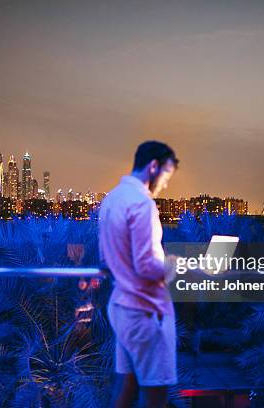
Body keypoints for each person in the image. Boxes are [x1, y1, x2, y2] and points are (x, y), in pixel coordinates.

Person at [99, 140, 179, 408]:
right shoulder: (142, 203)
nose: (165, 184)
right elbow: (146, 265)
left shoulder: (111, 199)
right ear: (153, 166)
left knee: (126, 390)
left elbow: (106, 259)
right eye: (166, 175)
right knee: (155, 396)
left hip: (121, 307)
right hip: (145, 311)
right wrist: (172, 266)